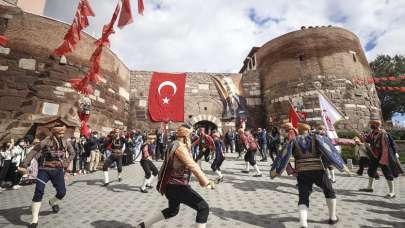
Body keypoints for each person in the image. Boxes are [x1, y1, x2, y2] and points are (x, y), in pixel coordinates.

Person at [137, 125, 215, 228]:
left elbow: (190, 148)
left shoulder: (174, 144)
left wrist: (202, 142)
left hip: (170, 186)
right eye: (190, 134)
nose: (191, 136)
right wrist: (206, 182)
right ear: (185, 135)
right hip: (177, 186)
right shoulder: (179, 147)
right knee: (203, 208)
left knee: (172, 211)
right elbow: (192, 165)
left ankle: (144, 225)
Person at [19, 125, 75, 228]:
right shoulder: (46, 141)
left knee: (62, 193)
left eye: (63, 133)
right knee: (39, 191)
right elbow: (34, 151)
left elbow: (73, 153)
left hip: (58, 170)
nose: (61, 135)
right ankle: (34, 220)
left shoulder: (66, 142)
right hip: (44, 170)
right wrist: (24, 164)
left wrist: (67, 162)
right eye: (59, 133)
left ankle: (52, 202)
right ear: (54, 133)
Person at [290, 123, 339, 228]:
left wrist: (292, 171)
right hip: (318, 170)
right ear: (308, 130)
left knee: (303, 196)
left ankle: (303, 223)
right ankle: (333, 217)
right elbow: (330, 146)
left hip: (302, 172)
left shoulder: (293, 141)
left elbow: (283, 157)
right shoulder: (317, 138)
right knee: (329, 191)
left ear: (298, 130)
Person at [359, 118, 402, 198]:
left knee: (387, 172)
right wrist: (362, 137)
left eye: (372, 124)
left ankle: (392, 192)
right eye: (371, 124)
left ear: (376, 125)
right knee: (371, 170)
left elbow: (391, 144)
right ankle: (370, 187)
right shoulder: (372, 133)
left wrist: (395, 153)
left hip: (383, 156)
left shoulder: (384, 133)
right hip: (374, 155)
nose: (370, 126)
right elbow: (368, 140)